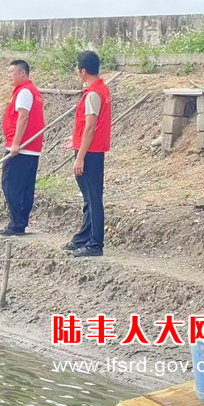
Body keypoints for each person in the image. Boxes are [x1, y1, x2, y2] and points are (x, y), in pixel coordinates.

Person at [64, 51, 112, 257]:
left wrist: (80, 156)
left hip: (91, 152)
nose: (76, 72)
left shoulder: (93, 94)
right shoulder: (101, 89)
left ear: (83, 71)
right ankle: (84, 236)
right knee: (89, 197)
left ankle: (95, 243)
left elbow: (91, 127)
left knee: (93, 198)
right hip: (92, 148)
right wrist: (75, 142)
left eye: (77, 68)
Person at [0, 60, 45, 236]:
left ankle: (16, 223)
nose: (9, 75)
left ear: (23, 73)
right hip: (31, 148)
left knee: (11, 185)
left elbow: (23, 118)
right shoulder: (30, 90)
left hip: (22, 147)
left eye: (12, 72)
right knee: (24, 187)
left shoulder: (25, 91)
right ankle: (20, 223)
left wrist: (16, 143)